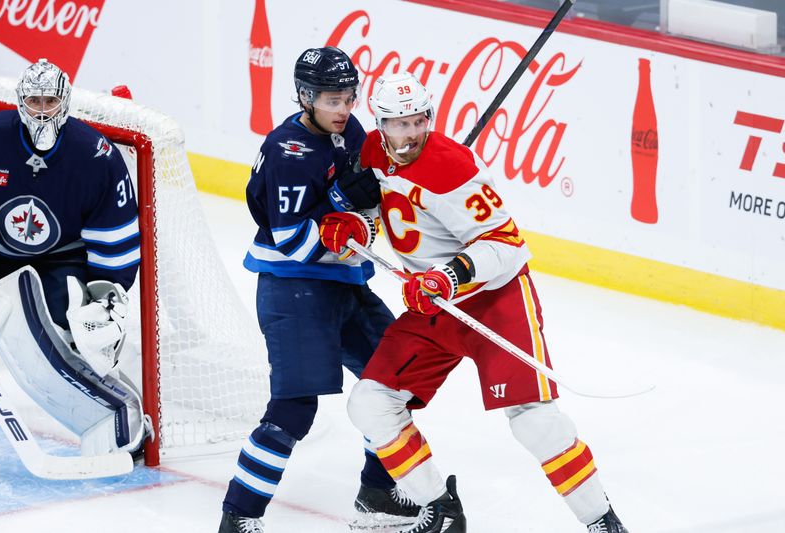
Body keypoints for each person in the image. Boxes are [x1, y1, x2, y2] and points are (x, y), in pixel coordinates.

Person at [319, 72, 629, 533]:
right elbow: (383, 216)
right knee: (371, 403)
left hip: (494, 300)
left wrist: (447, 275)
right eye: (398, 125)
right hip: (433, 307)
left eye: (418, 122)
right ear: (380, 123)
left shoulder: (454, 167)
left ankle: (602, 521)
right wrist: (354, 229)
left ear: (429, 117)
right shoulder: (370, 154)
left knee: (533, 421)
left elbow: (506, 244)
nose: (409, 134)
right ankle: (440, 509)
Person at [218, 48, 420, 533]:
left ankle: (377, 494)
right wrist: (343, 202)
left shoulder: (346, 131)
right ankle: (240, 516)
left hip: (345, 285)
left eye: (350, 97)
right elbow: (292, 242)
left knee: (397, 381)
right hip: (294, 290)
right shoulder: (288, 151)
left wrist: (377, 196)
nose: (344, 109)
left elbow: (365, 214)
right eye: (333, 99)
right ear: (306, 97)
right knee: (294, 409)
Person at [0, 59, 146, 461]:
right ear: (21, 101)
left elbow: (115, 234)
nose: (42, 110)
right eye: (34, 100)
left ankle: (119, 419)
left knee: (60, 338)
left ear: (65, 101)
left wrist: (107, 294)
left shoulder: (95, 155)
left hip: (61, 261)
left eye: (50, 100)